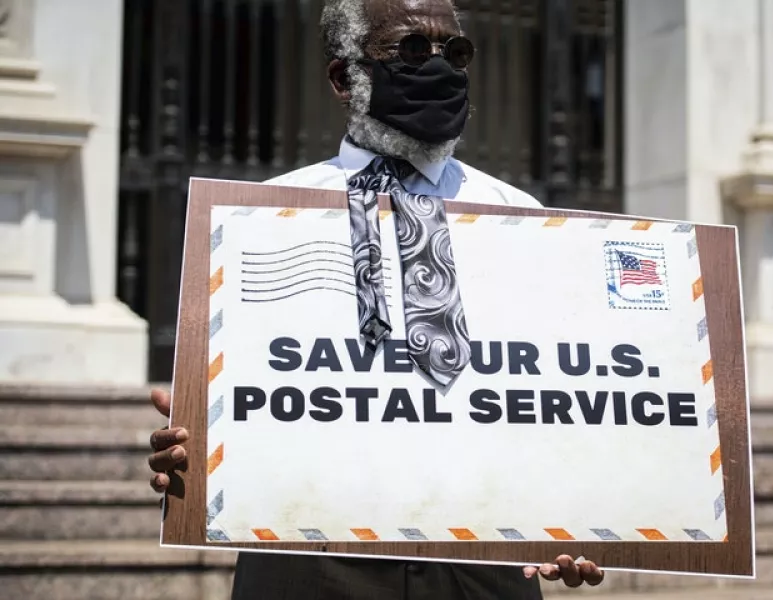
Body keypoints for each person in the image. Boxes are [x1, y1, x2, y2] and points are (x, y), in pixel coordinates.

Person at [148, 0, 606, 598]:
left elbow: (563, 388)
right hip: (309, 559)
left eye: (455, 54)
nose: (439, 68)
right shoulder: (259, 217)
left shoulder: (523, 218)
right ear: (343, 78)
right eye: (412, 50)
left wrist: (583, 516)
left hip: (482, 561)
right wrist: (195, 454)